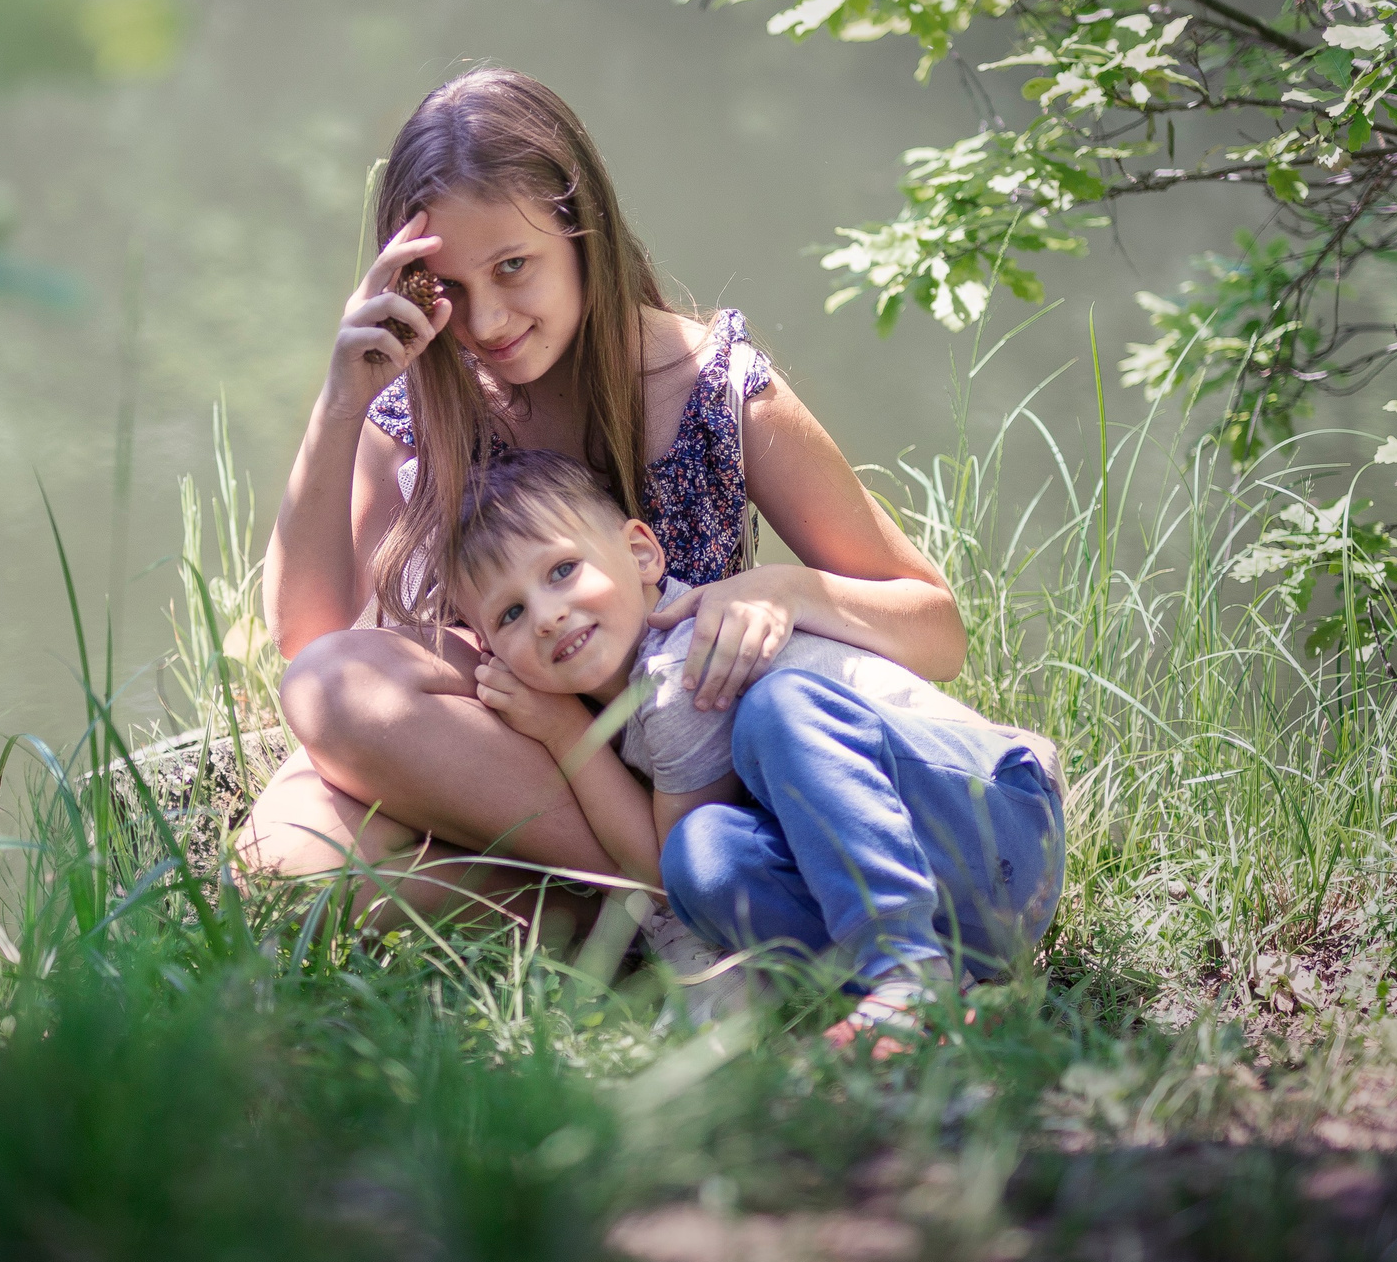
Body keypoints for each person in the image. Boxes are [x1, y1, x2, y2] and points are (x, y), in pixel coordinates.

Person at [242, 67, 967, 939]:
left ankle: (663, 887)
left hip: (688, 779)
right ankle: (612, 908)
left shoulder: (714, 388)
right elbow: (308, 637)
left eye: (513, 267)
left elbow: (938, 630)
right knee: (279, 859)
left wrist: (786, 590)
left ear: (581, 231)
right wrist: (341, 401)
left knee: (339, 838)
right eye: (451, 290)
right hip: (509, 754)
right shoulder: (425, 399)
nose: (487, 321)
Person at [447, 450, 1064, 1050]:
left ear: (641, 553)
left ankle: (906, 972)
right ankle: (949, 984)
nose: (547, 617)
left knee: (779, 707)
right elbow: (676, 876)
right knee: (704, 857)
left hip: (996, 818)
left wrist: (564, 733)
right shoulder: (632, 696)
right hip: (968, 912)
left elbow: (650, 875)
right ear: (490, 650)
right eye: (511, 614)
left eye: (562, 570)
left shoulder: (681, 666)